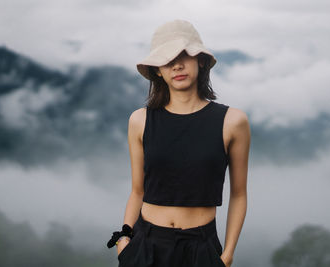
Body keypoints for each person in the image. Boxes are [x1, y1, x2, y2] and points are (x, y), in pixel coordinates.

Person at [107, 19, 251, 267]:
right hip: (145, 247)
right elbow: (138, 191)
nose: (176, 65)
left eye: (185, 54)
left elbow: (238, 194)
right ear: (158, 71)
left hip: (201, 248)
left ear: (201, 60)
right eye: (166, 60)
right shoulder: (140, 121)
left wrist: (227, 255)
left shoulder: (232, 122)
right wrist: (124, 239)